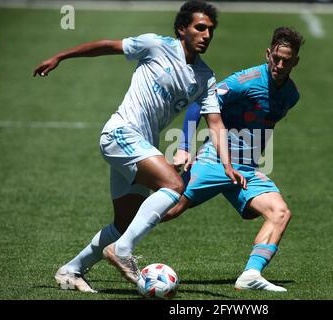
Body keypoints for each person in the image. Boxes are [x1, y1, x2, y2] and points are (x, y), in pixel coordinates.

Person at [33, 1, 245, 293]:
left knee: (125, 221)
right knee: (173, 185)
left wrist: (228, 165)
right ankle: (122, 251)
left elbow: (216, 124)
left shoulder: (205, 77)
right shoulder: (156, 45)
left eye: (210, 30)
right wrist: (61, 56)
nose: (206, 34)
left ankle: (72, 270)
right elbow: (108, 46)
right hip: (121, 133)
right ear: (182, 29)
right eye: (200, 27)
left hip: (140, 145)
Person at [164, 27, 304, 292]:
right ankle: (108, 246)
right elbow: (199, 103)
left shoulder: (291, 95)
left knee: (280, 212)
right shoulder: (245, 81)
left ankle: (251, 274)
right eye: (276, 58)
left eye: (287, 60)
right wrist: (184, 146)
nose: (280, 64)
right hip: (214, 160)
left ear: (296, 61)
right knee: (168, 209)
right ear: (268, 54)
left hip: (245, 171)